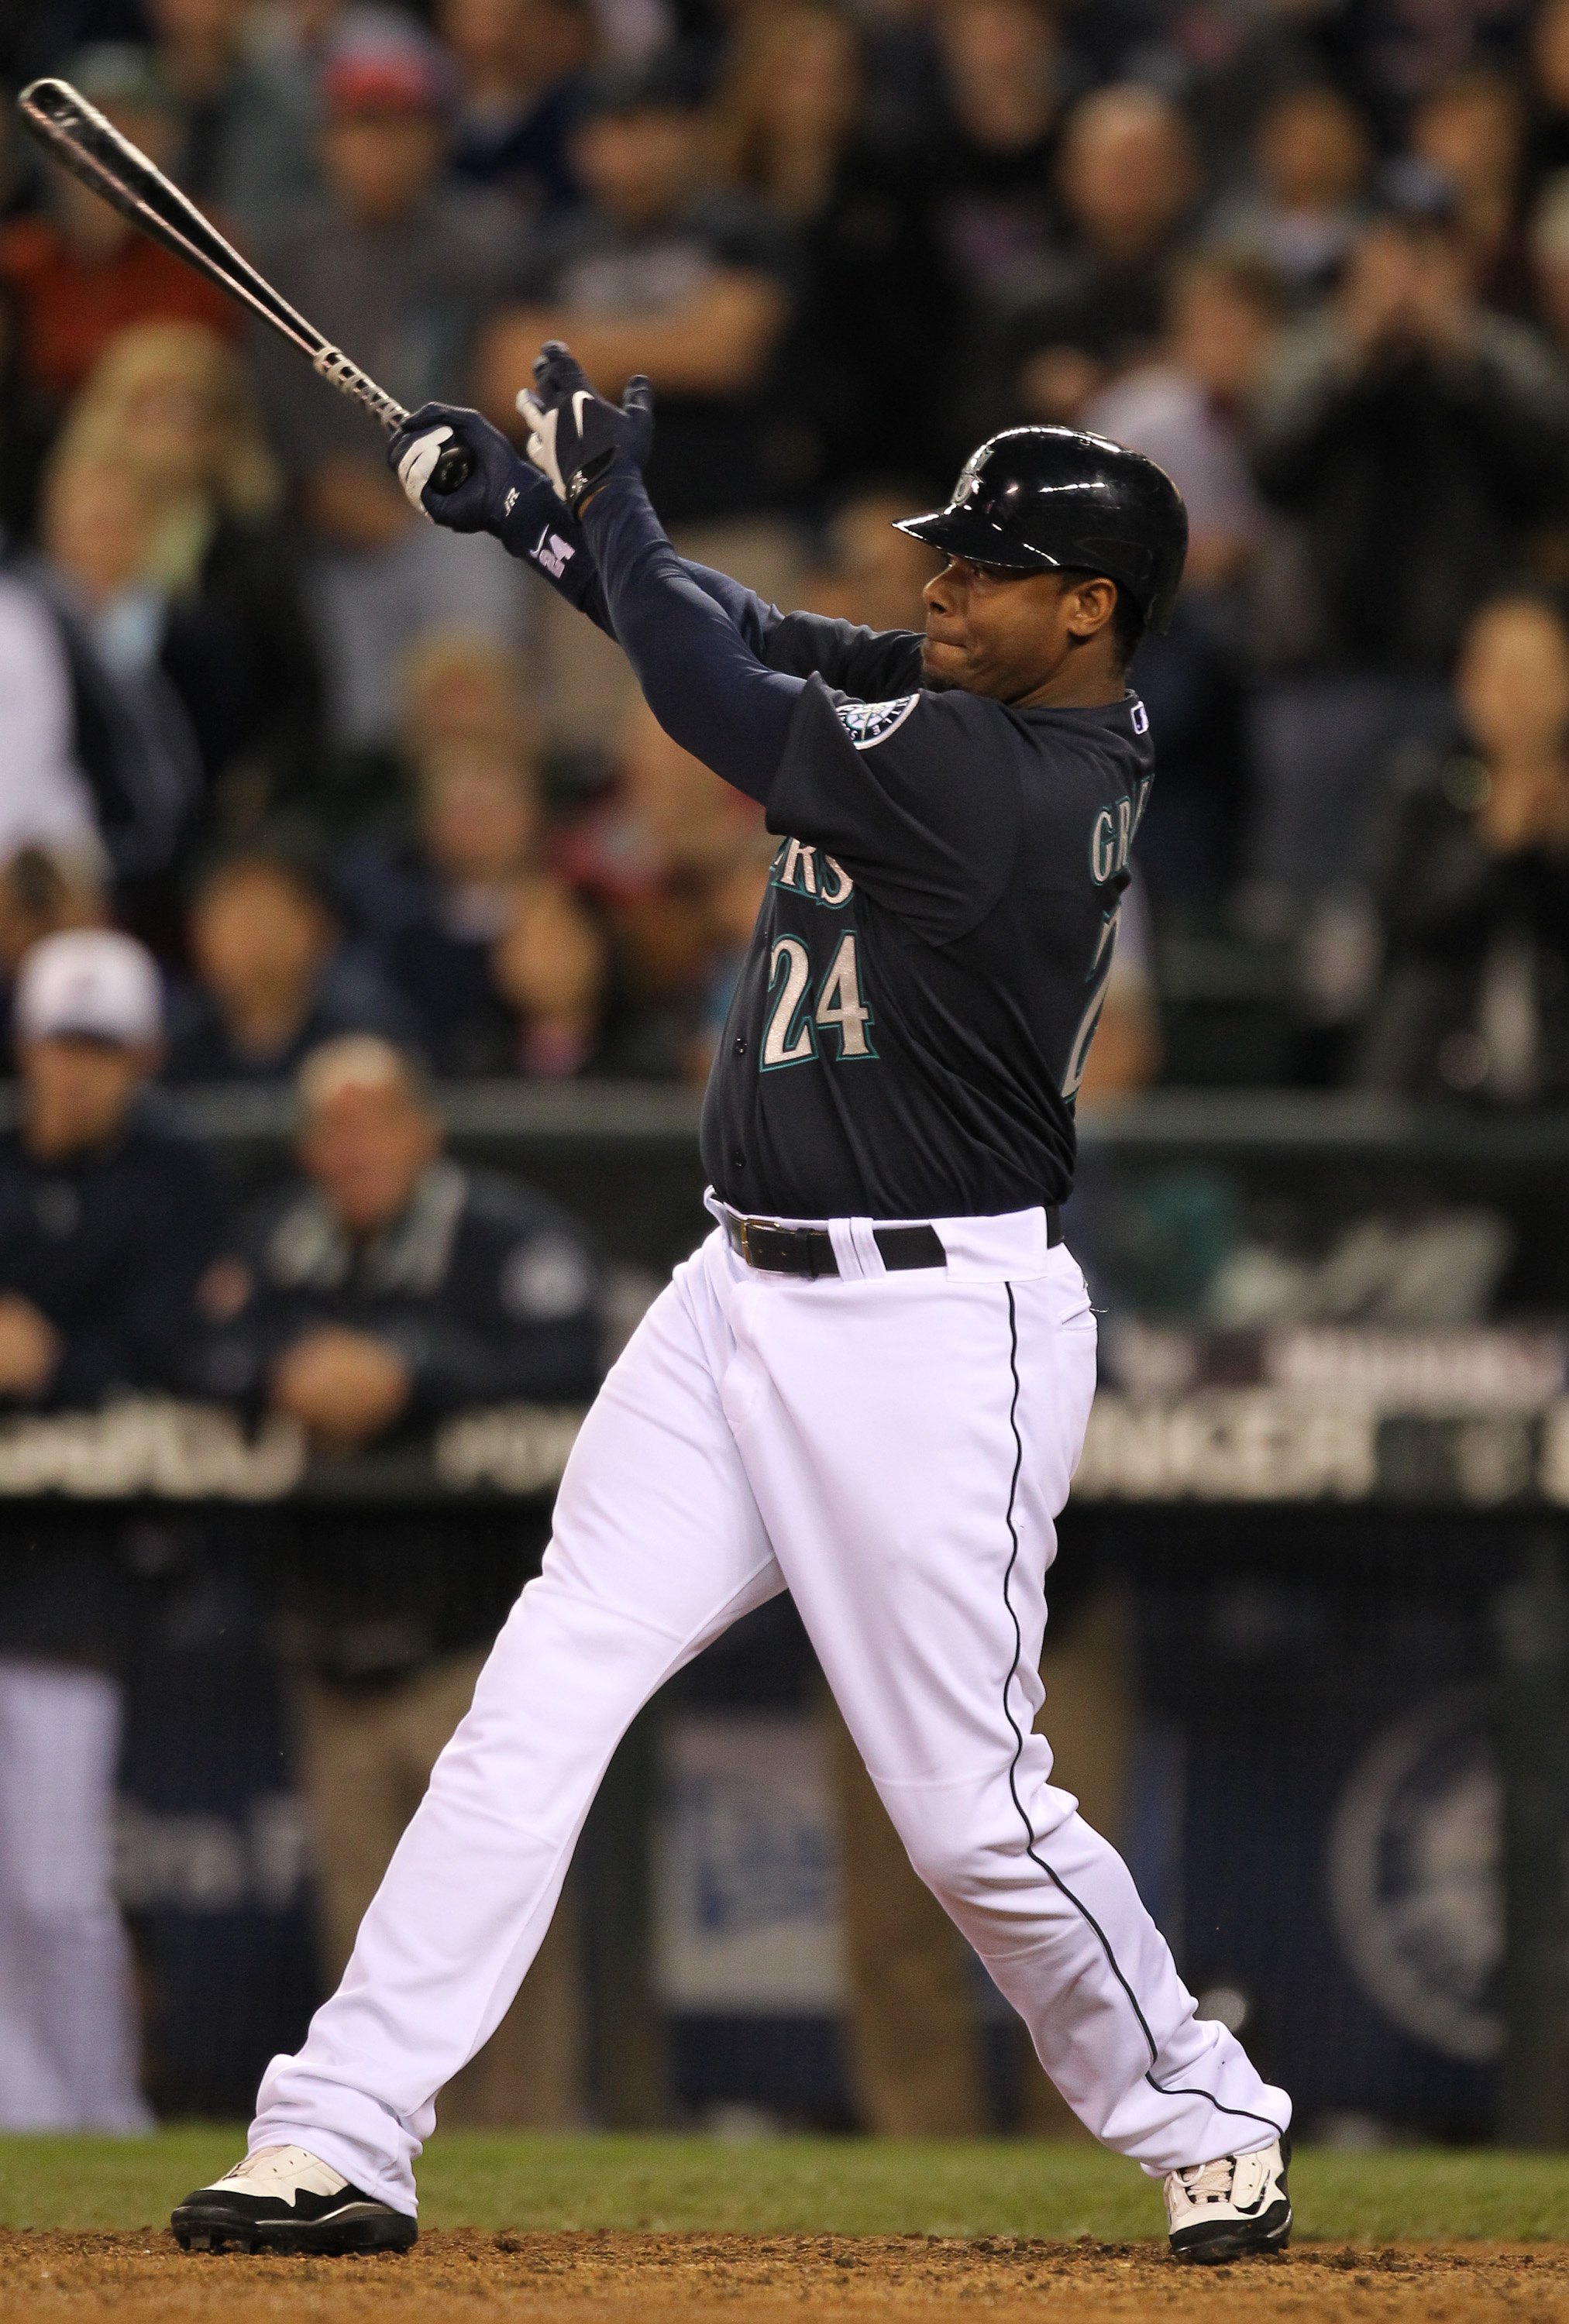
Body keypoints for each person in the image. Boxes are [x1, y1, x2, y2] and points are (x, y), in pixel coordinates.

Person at [171, 367, 1293, 2263]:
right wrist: (533, 521)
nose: (941, 589)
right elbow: (743, 628)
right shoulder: (959, 699)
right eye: (946, 559)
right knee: (533, 1701)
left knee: (968, 1815)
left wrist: (602, 499)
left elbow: (704, 690)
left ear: (1087, 610)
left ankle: (1204, 2104)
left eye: (986, 571)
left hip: (939, 1331)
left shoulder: (1010, 779)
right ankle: (338, 2121)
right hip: (735, 1293)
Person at [192, 1033, 604, 2122]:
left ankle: (537, 2171)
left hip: (474, 1654)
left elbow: (577, 1358)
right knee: (371, 1947)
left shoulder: (501, 1236)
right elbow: (199, 1351)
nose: (353, 1147)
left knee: (500, 1933)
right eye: (330, 1127)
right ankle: (382, 2162)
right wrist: (286, 1373)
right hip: (330, 1648)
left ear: (424, 1129)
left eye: (374, 1120)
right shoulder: (280, 1243)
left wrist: (412, 1373)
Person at [0, 927, 227, 2130]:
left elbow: (176, 1349)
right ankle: (24, 2120)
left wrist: (50, 1362)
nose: (73, 1070)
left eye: (98, 1047)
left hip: (81, 1568)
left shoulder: (172, 1176)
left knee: (50, 1884)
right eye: (57, 1044)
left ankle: (95, 2118)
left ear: (139, 1056)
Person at [246, 17, 522, 749]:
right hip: (326, 526)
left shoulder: (482, 244)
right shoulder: (287, 258)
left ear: (436, 139)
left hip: (452, 513)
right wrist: (315, 483)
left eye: (403, 127)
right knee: (369, 724)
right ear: (326, 140)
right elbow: (272, 397)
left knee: (473, 628)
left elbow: (496, 389)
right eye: (362, 127)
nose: (381, 149)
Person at [54, 322, 326, 832]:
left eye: (194, 410)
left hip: (218, 802)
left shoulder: (251, 545)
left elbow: (300, 693)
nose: (173, 429)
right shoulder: (69, 527)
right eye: (152, 405)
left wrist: (259, 779)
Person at [1357, 590, 1569, 1102]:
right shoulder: (1424, 787)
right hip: (1426, 1086)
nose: (1513, 696)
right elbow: (1403, 926)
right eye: (1497, 672)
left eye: (1532, 674)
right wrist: (1494, 845)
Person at [163, 844, 413, 1083]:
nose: (251, 941)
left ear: (319, 926)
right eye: (231, 920)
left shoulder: (367, 1037)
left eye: (264, 916)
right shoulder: (174, 1047)